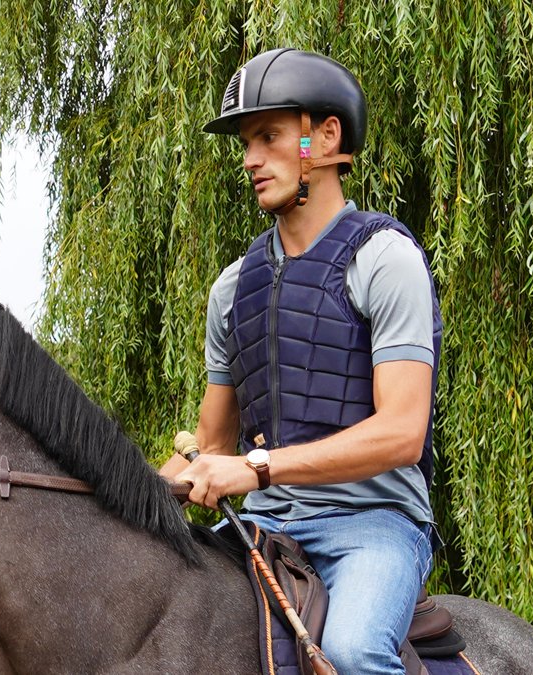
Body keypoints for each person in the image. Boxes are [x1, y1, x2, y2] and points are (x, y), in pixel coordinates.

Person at [159, 48, 442, 674]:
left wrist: (256, 469)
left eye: (269, 137)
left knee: (352, 653)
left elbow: (402, 432)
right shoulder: (231, 290)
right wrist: (133, 494)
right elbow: (211, 445)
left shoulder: (385, 259)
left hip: (371, 523)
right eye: (246, 143)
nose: (250, 159)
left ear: (326, 138)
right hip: (261, 528)